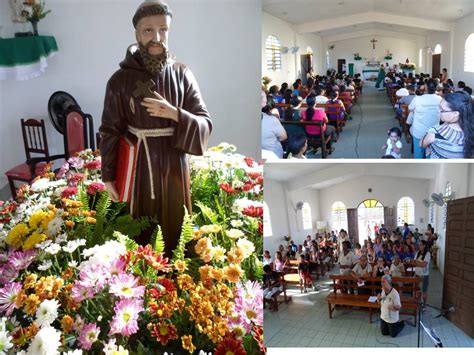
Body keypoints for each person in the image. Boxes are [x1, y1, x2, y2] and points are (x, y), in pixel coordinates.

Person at [100, 1, 212, 256]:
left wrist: (175, 113)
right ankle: (145, 270)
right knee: (143, 222)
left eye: (163, 29)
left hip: (174, 162)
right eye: (148, 30)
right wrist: (108, 175)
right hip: (140, 164)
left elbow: (205, 121)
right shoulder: (120, 80)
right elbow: (109, 130)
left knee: (176, 221)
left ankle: (177, 267)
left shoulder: (183, 73)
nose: (157, 37)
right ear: (137, 34)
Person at [421, 91, 473, 159]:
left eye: (442, 109)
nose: (438, 111)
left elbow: (422, 144)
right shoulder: (470, 131)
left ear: (455, 114)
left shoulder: (435, 133)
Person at [408, 79, 442, 158]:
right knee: (431, 154)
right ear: (437, 87)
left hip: (419, 131)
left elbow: (410, 108)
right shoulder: (440, 99)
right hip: (433, 132)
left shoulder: (417, 99)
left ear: (426, 87)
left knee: (418, 153)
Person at [415, 240, 431, 308]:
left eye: (420, 245)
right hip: (417, 274)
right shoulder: (417, 253)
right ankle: (418, 303)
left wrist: (418, 263)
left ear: (424, 246)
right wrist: (419, 263)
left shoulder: (427, 254)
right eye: (419, 244)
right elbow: (413, 262)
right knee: (417, 290)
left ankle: (424, 305)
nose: (419, 246)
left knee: (424, 291)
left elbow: (424, 264)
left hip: (424, 275)